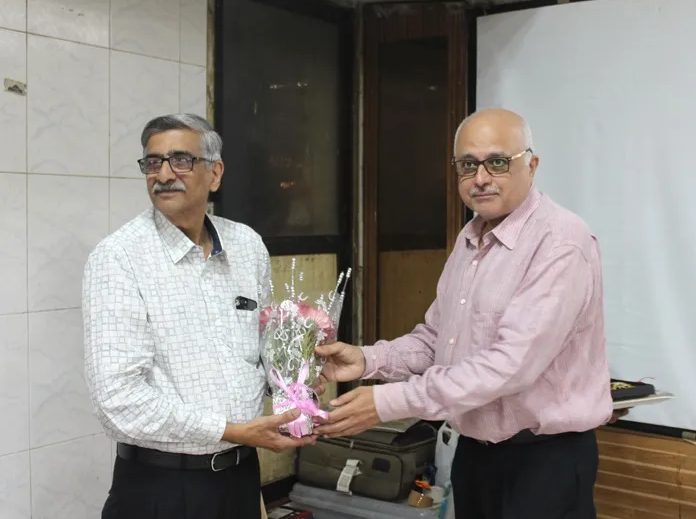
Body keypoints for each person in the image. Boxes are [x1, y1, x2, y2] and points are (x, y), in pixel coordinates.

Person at [314, 108, 624, 519]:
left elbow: (509, 366)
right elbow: (436, 339)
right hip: (476, 456)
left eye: (497, 162)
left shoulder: (559, 242)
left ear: (531, 166)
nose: (480, 178)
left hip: (544, 461)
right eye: (467, 164)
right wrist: (368, 359)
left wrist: (389, 402)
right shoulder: (471, 236)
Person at [82, 114, 314, 519]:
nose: (163, 175)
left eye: (181, 160)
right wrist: (230, 431)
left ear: (215, 173)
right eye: (153, 162)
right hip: (161, 487)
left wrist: (298, 376)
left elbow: (262, 353)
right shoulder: (119, 258)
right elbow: (118, 401)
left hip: (241, 477)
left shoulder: (247, 245)